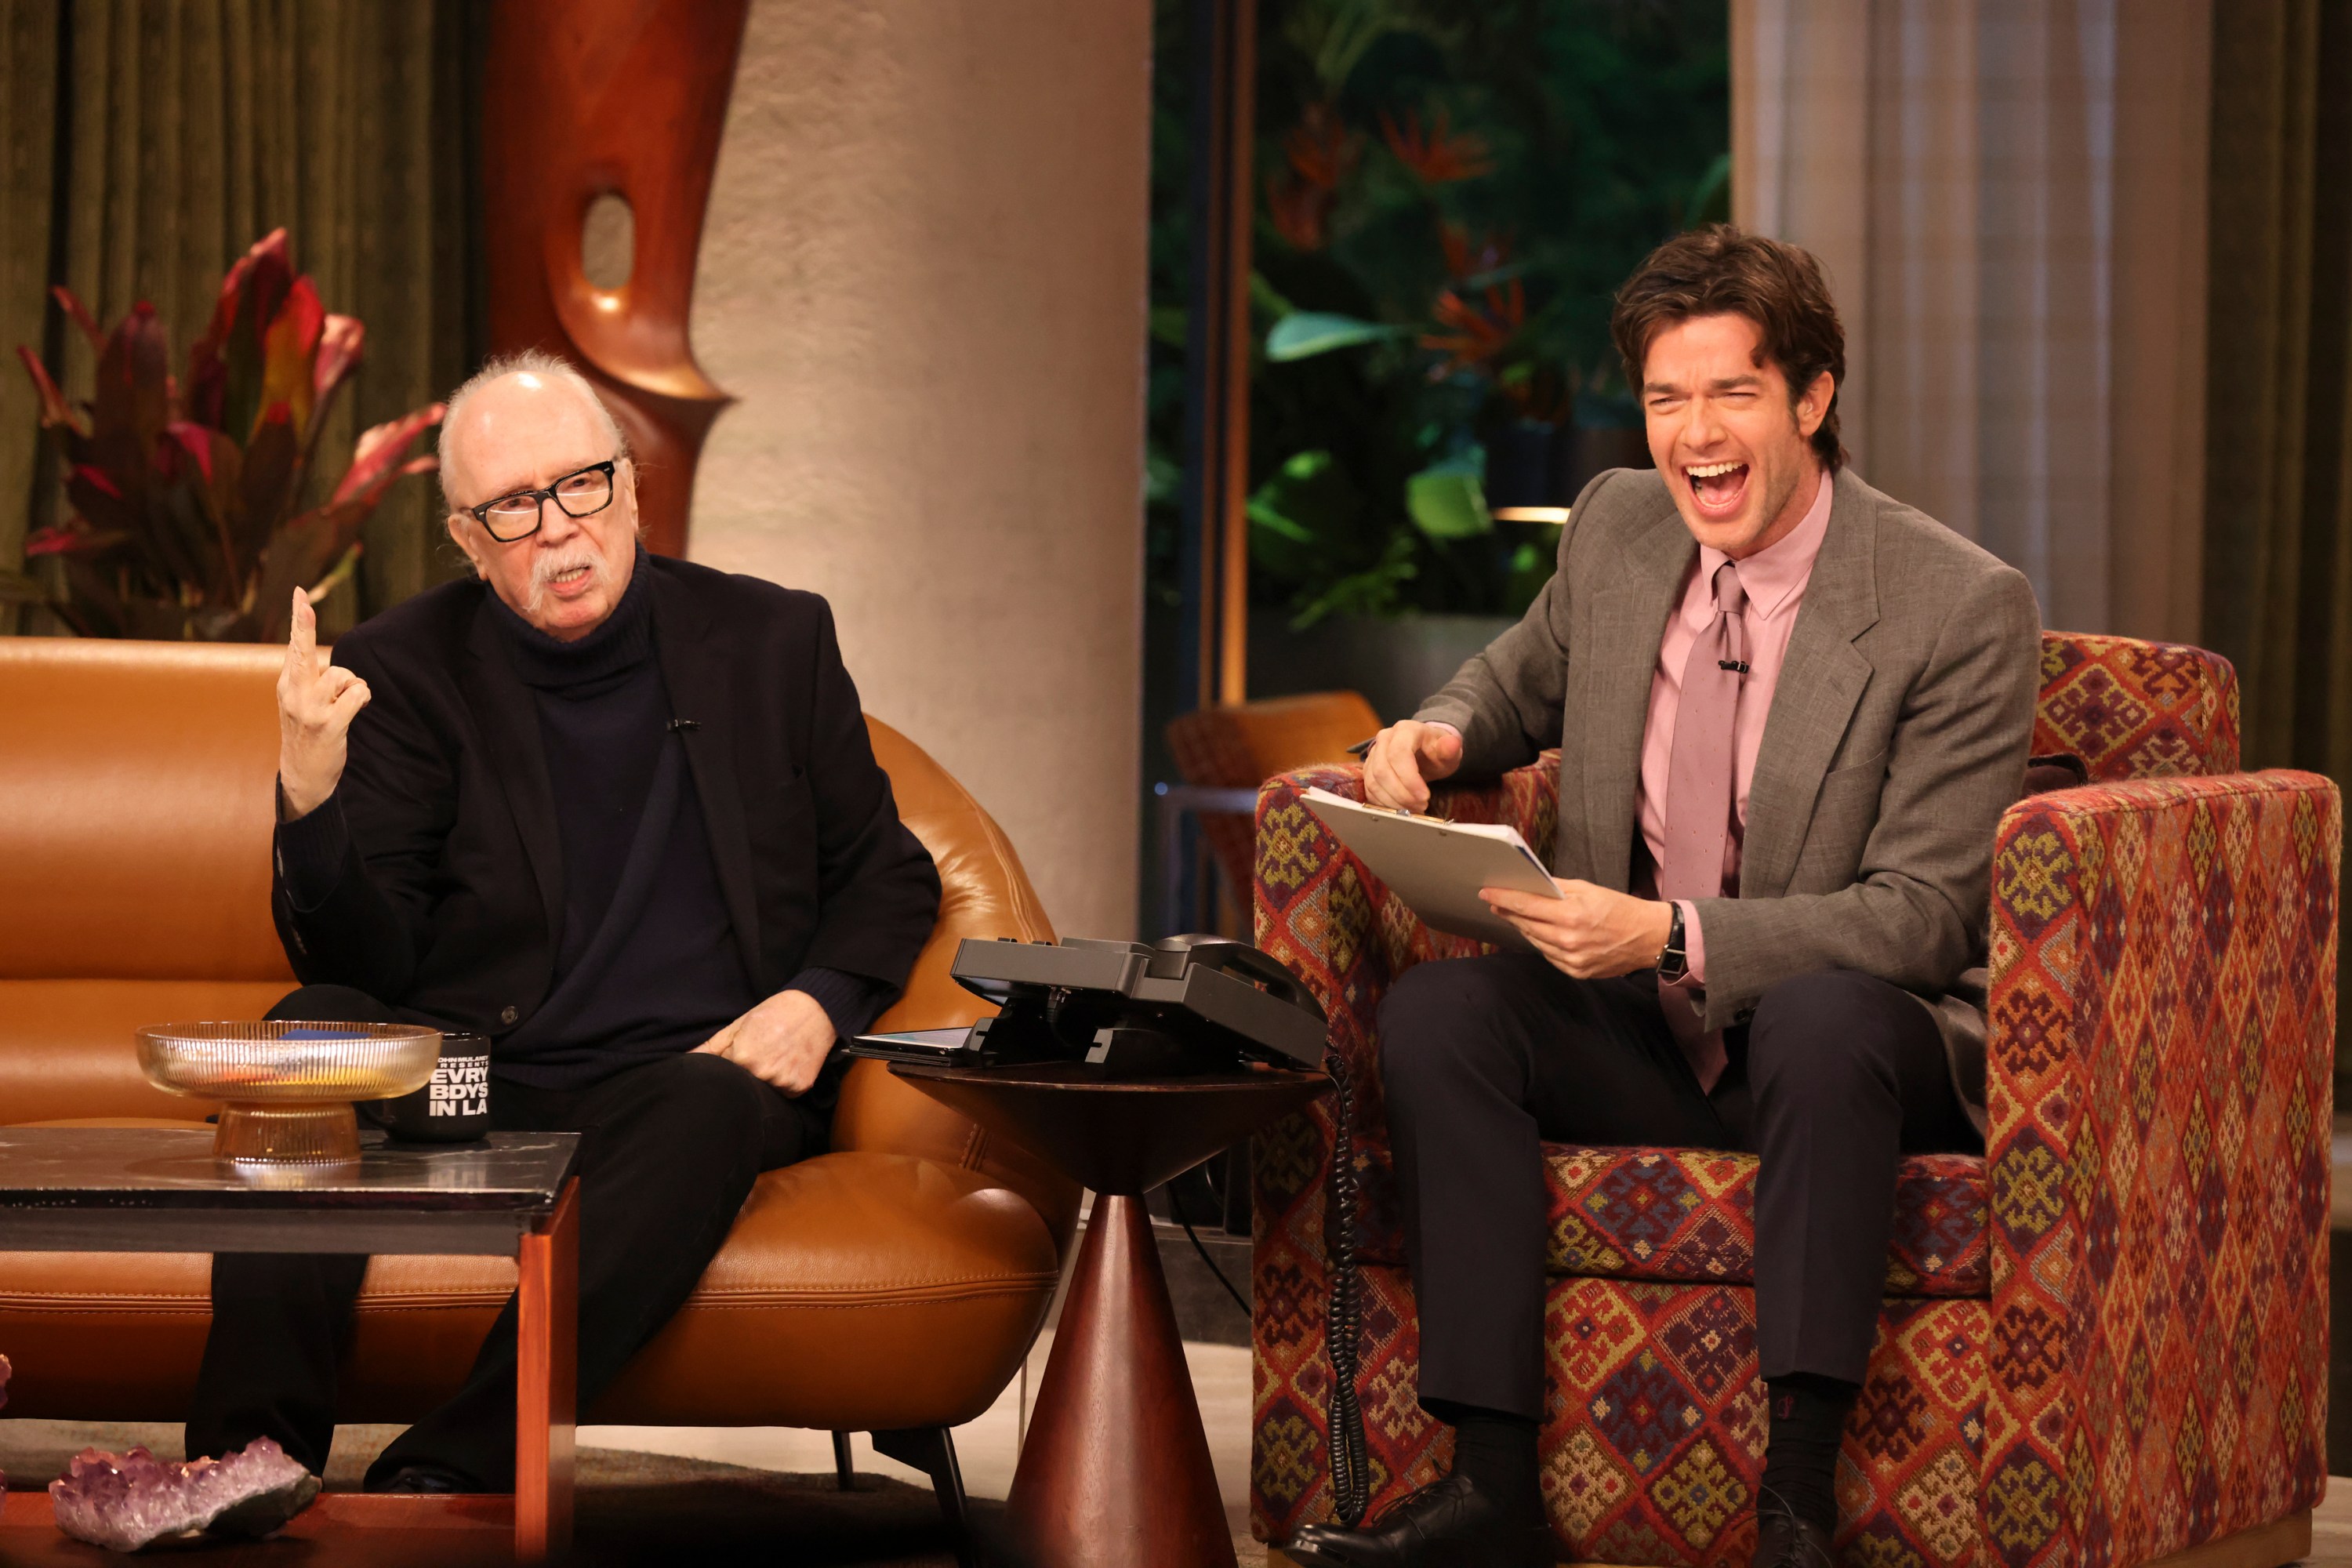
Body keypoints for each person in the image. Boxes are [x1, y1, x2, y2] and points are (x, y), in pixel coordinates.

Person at [1284, 227, 2041, 1568]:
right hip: (1643, 1025)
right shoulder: (1620, 525)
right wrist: (1441, 738)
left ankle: (1796, 1503)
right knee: (1445, 1020)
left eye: (1732, 394)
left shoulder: (1953, 604)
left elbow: (1926, 913)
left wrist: (1673, 933)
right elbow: (1511, 684)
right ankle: (1491, 1491)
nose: (1696, 435)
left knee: (1819, 1022)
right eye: (1665, 399)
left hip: (1851, 1048)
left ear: (1811, 401)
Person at [184, 350, 942, 1495]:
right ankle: (243, 1471)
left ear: (630, 488)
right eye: (513, 508)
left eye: (582, 486)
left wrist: (817, 1002)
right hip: (470, 1081)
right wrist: (309, 794)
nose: (559, 530)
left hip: (682, 1083)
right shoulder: (403, 667)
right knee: (310, 1026)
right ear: (468, 540)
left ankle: (448, 1475)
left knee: (716, 1103)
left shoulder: (772, 644)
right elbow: (361, 961)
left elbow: (888, 873)